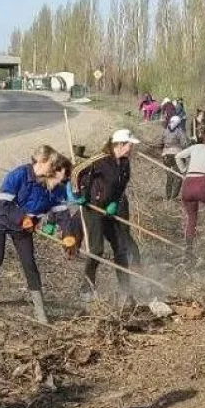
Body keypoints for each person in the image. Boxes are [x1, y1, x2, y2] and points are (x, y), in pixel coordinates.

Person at [0, 146, 74, 325]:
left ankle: (40, 311)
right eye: (59, 173)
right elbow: (4, 203)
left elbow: (63, 216)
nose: (63, 180)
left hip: (23, 228)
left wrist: (69, 238)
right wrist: (22, 218)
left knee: (29, 264)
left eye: (64, 176)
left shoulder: (55, 189)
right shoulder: (18, 175)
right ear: (47, 166)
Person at [75, 129, 139, 305]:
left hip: (109, 209)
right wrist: (79, 193)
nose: (131, 148)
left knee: (120, 248)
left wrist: (115, 202)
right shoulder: (100, 160)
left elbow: (121, 187)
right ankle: (86, 289)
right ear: (119, 145)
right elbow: (77, 173)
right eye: (130, 145)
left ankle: (125, 291)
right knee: (96, 250)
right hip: (93, 208)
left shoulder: (125, 163)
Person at [156, 115, 189, 200]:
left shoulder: (165, 131)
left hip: (166, 156)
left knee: (169, 176)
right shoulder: (180, 131)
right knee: (178, 177)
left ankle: (168, 196)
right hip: (177, 156)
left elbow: (160, 143)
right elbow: (185, 144)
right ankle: (173, 197)